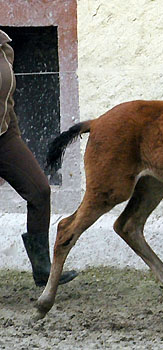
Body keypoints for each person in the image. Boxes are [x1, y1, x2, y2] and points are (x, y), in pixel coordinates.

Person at [0, 29, 77, 286]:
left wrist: (15, 138)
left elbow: (7, 101)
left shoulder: (4, 47)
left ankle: (43, 269)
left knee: (40, 191)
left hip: (5, 135)